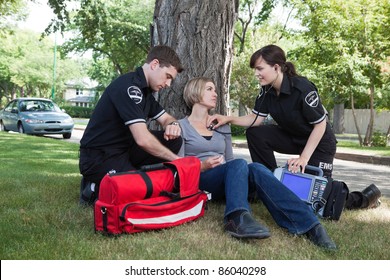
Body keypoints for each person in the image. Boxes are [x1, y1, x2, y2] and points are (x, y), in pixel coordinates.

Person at [208, 44, 381, 210]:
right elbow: (255, 119)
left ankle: (364, 199)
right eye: (255, 69)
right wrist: (228, 118)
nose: (256, 74)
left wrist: (304, 159)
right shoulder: (266, 91)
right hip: (292, 137)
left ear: (276, 67)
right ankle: (268, 183)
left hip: (319, 142)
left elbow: (320, 126)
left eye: (260, 69)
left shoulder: (302, 88)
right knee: (255, 133)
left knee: (316, 198)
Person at [178, 77, 337, 250]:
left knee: (256, 168)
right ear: (194, 92)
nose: (215, 93)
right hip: (203, 179)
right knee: (239, 164)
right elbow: (178, 167)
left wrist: (237, 174)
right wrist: (202, 166)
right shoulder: (180, 126)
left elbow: (230, 161)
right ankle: (237, 217)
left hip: (229, 178)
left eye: (215, 90)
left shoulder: (221, 124)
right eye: (209, 89)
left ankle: (311, 226)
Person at [79, 45, 184, 205]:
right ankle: (93, 188)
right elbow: (143, 139)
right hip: (100, 156)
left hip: (125, 150)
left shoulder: (145, 92)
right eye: (167, 76)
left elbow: (166, 118)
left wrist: (173, 124)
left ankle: (132, 175)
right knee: (141, 192)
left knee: (174, 140)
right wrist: (177, 161)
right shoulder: (129, 87)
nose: (168, 84)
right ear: (155, 64)